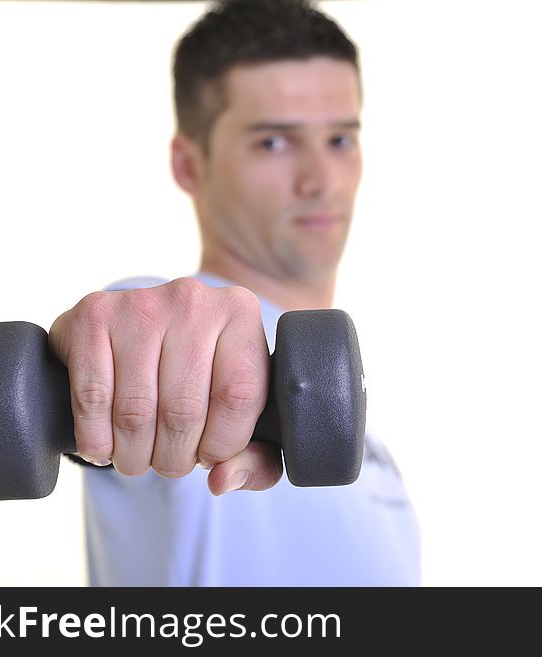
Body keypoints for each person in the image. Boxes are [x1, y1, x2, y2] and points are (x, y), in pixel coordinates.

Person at [49, 0, 420, 586]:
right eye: (274, 143)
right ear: (189, 165)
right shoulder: (177, 333)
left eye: (340, 140)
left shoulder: (364, 440)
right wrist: (102, 347)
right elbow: (137, 323)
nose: (321, 180)